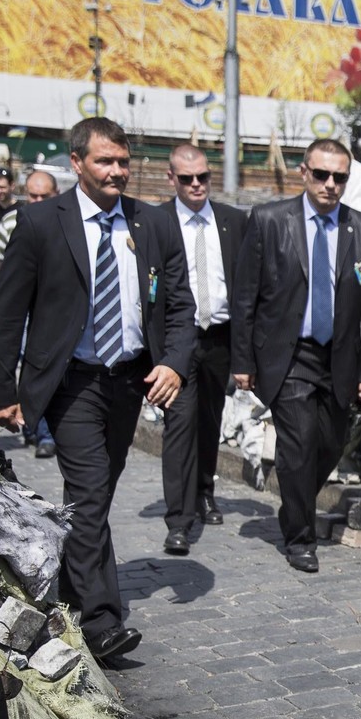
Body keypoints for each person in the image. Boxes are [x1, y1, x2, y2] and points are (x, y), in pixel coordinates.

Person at [0, 117, 196, 662]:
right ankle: (102, 624)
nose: (117, 172)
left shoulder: (154, 225)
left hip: (129, 382)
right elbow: (6, 315)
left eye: (124, 162)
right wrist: (2, 390)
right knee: (91, 493)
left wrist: (173, 362)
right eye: (106, 162)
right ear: (76, 162)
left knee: (92, 499)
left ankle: (75, 595)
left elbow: (179, 307)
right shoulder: (38, 224)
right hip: (70, 382)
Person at [231, 139, 361, 574]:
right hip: (287, 354)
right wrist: (242, 361)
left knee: (331, 445)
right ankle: (301, 537)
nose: (330, 184)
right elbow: (246, 297)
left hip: (338, 356)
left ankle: (292, 506)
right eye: (322, 175)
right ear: (304, 172)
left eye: (340, 177)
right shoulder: (268, 221)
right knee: (296, 448)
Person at [157, 144, 246, 555]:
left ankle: (205, 491)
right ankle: (179, 519)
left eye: (203, 177)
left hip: (220, 337)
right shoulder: (156, 222)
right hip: (178, 340)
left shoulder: (232, 221)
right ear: (171, 178)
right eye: (187, 178)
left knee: (210, 419)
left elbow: (246, 289)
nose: (196, 185)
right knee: (180, 424)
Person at [0, 170, 60, 458]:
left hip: (48, 310)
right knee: (16, 365)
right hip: (18, 306)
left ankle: (43, 432)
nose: (38, 200)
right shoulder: (12, 221)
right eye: (33, 195)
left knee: (39, 365)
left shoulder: (64, 223)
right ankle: (28, 422)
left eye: (44, 195)